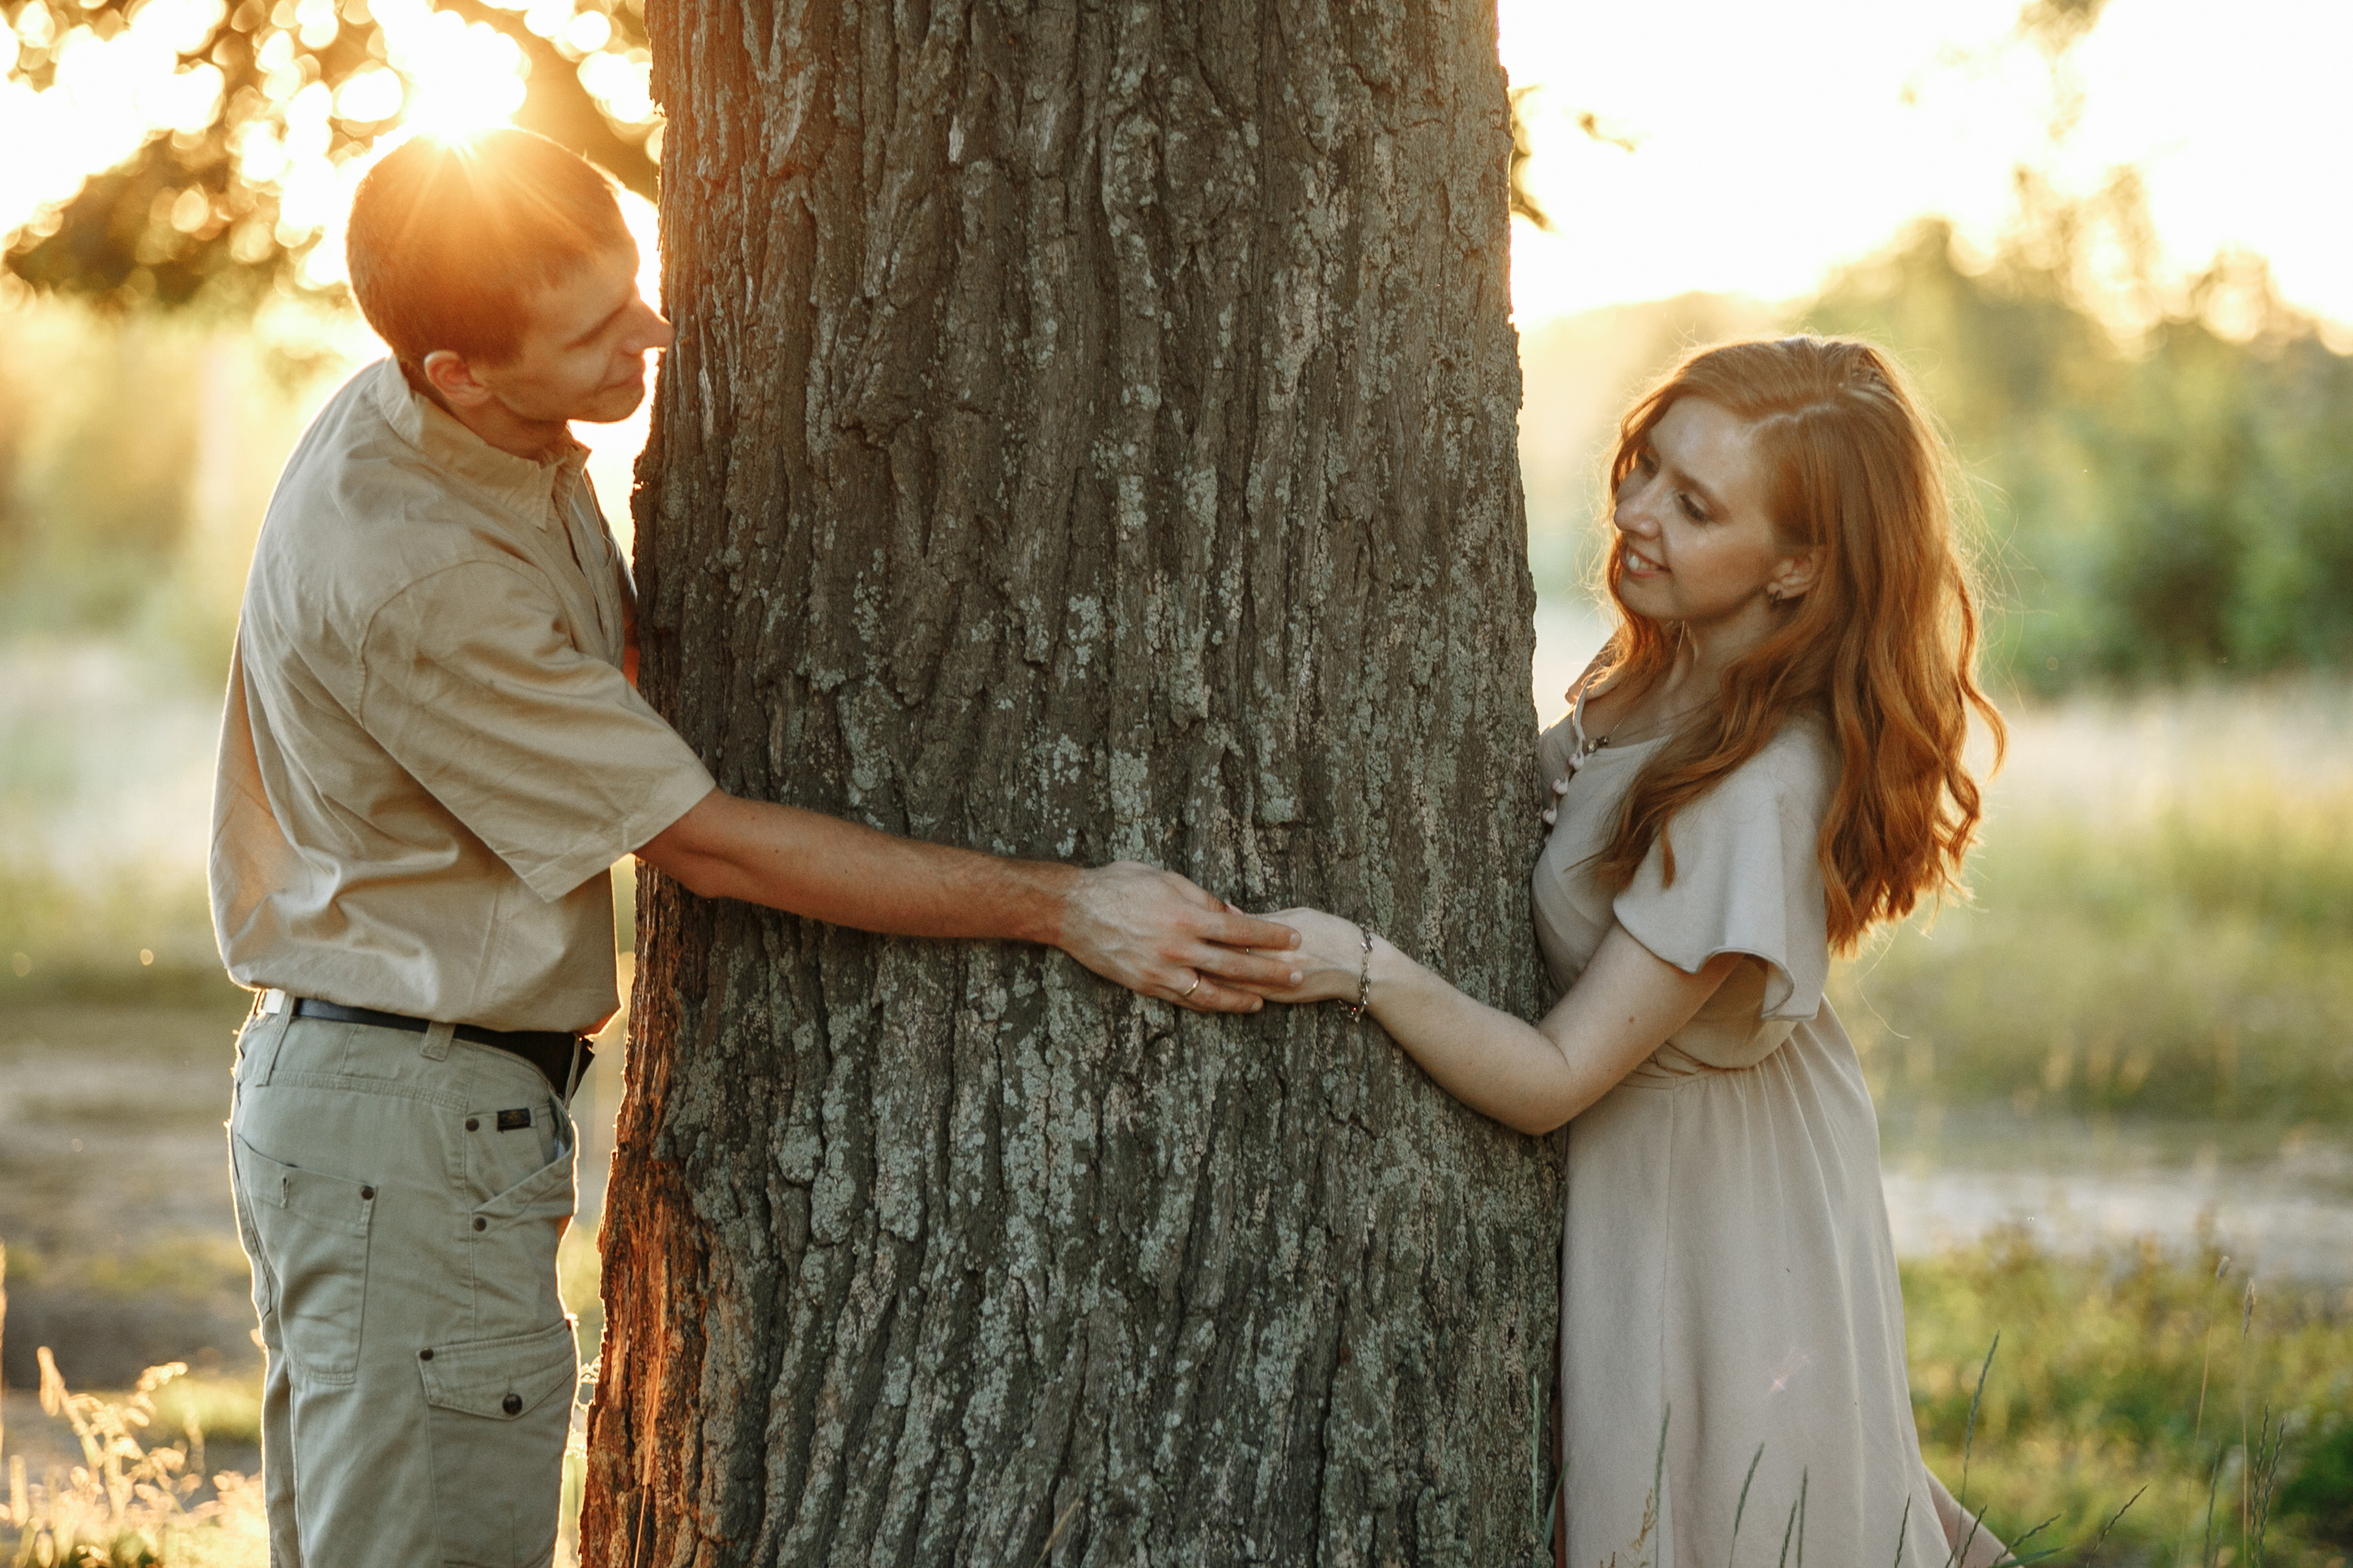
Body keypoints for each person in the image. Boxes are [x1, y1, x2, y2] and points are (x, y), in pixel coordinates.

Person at [211, 128, 1301, 1568]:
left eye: (634, 290)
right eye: (594, 331)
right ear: (455, 371)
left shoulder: (474, 427)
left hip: (385, 1114)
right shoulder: (418, 569)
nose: (653, 334)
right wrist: (1065, 907)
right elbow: (707, 847)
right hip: (405, 1136)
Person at [1257, 337, 2010, 1565]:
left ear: (1796, 571)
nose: (1635, 512)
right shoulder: (1659, 671)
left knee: (1734, 1515)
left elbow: (1557, 1077)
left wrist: (1361, 964)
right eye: (1646, 465)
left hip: (1716, 1202)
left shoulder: (1757, 788)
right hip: (1676, 1171)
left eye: (1696, 504)